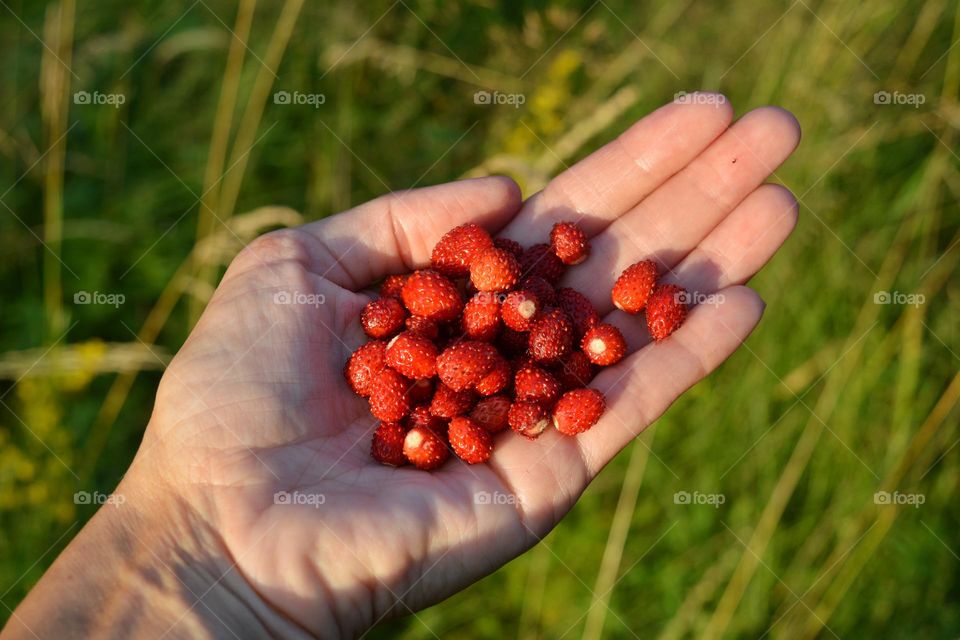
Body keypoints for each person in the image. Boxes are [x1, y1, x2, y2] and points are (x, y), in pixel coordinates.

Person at [3, 94, 800, 639]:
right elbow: (456, 348)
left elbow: (497, 349)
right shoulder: (443, 344)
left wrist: (203, 544)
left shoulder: (511, 335)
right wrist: (197, 526)